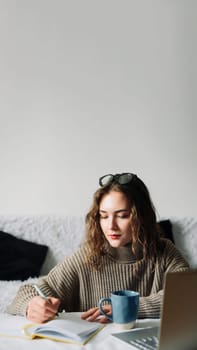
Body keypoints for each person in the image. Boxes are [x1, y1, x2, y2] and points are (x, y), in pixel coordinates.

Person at [7, 173, 189, 323]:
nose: (111, 226)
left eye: (123, 216)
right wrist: (32, 305)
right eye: (103, 216)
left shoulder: (164, 251)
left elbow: (189, 295)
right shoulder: (89, 254)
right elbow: (27, 293)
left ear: (141, 216)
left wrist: (126, 309)